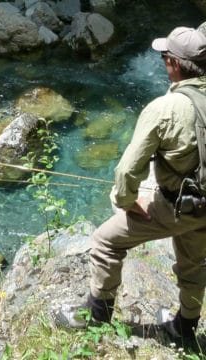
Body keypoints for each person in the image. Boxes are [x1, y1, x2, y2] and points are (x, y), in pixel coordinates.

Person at [86, 26, 206, 343]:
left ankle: (96, 323)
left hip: (175, 208)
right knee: (193, 265)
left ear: (175, 64)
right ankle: (185, 329)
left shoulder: (163, 109)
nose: (164, 62)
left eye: (165, 57)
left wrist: (127, 202)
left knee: (104, 242)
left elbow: (127, 171)